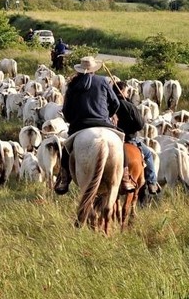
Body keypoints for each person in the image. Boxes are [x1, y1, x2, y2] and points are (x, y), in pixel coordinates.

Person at [54, 55, 132, 195]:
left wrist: (72, 120)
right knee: (121, 142)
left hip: (80, 125)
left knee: (66, 148)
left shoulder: (72, 84)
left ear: (80, 70)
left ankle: (64, 179)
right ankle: (125, 177)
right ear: (93, 70)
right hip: (103, 123)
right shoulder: (102, 81)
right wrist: (108, 114)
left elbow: (66, 110)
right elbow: (116, 103)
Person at [112, 81, 161, 196]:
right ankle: (152, 182)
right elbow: (140, 124)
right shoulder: (129, 106)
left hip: (112, 138)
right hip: (129, 138)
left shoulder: (108, 104)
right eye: (126, 91)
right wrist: (131, 130)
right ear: (123, 91)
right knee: (148, 154)